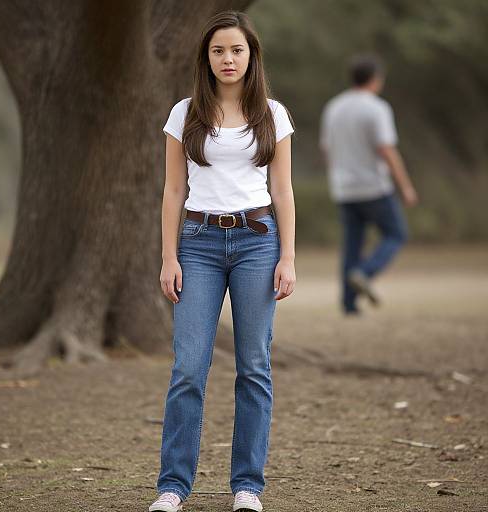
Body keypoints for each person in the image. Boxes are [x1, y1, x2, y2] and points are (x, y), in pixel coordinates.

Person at [150, 11, 295, 512]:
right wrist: (169, 256)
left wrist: (289, 257)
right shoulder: (184, 113)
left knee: (254, 366)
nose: (227, 59)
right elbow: (173, 189)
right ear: (206, 58)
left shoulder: (273, 114)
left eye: (236, 50)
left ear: (251, 55)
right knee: (189, 367)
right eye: (218, 51)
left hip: (258, 243)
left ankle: (247, 487)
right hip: (197, 243)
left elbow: (282, 189)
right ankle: (173, 486)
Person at [319, 54, 418, 315]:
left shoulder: (334, 107)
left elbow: (327, 149)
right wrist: (405, 186)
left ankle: (349, 304)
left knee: (352, 244)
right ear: (375, 80)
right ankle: (364, 272)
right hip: (373, 187)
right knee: (396, 233)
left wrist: (337, 176)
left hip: (344, 188)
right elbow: (387, 150)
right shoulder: (377, 108)